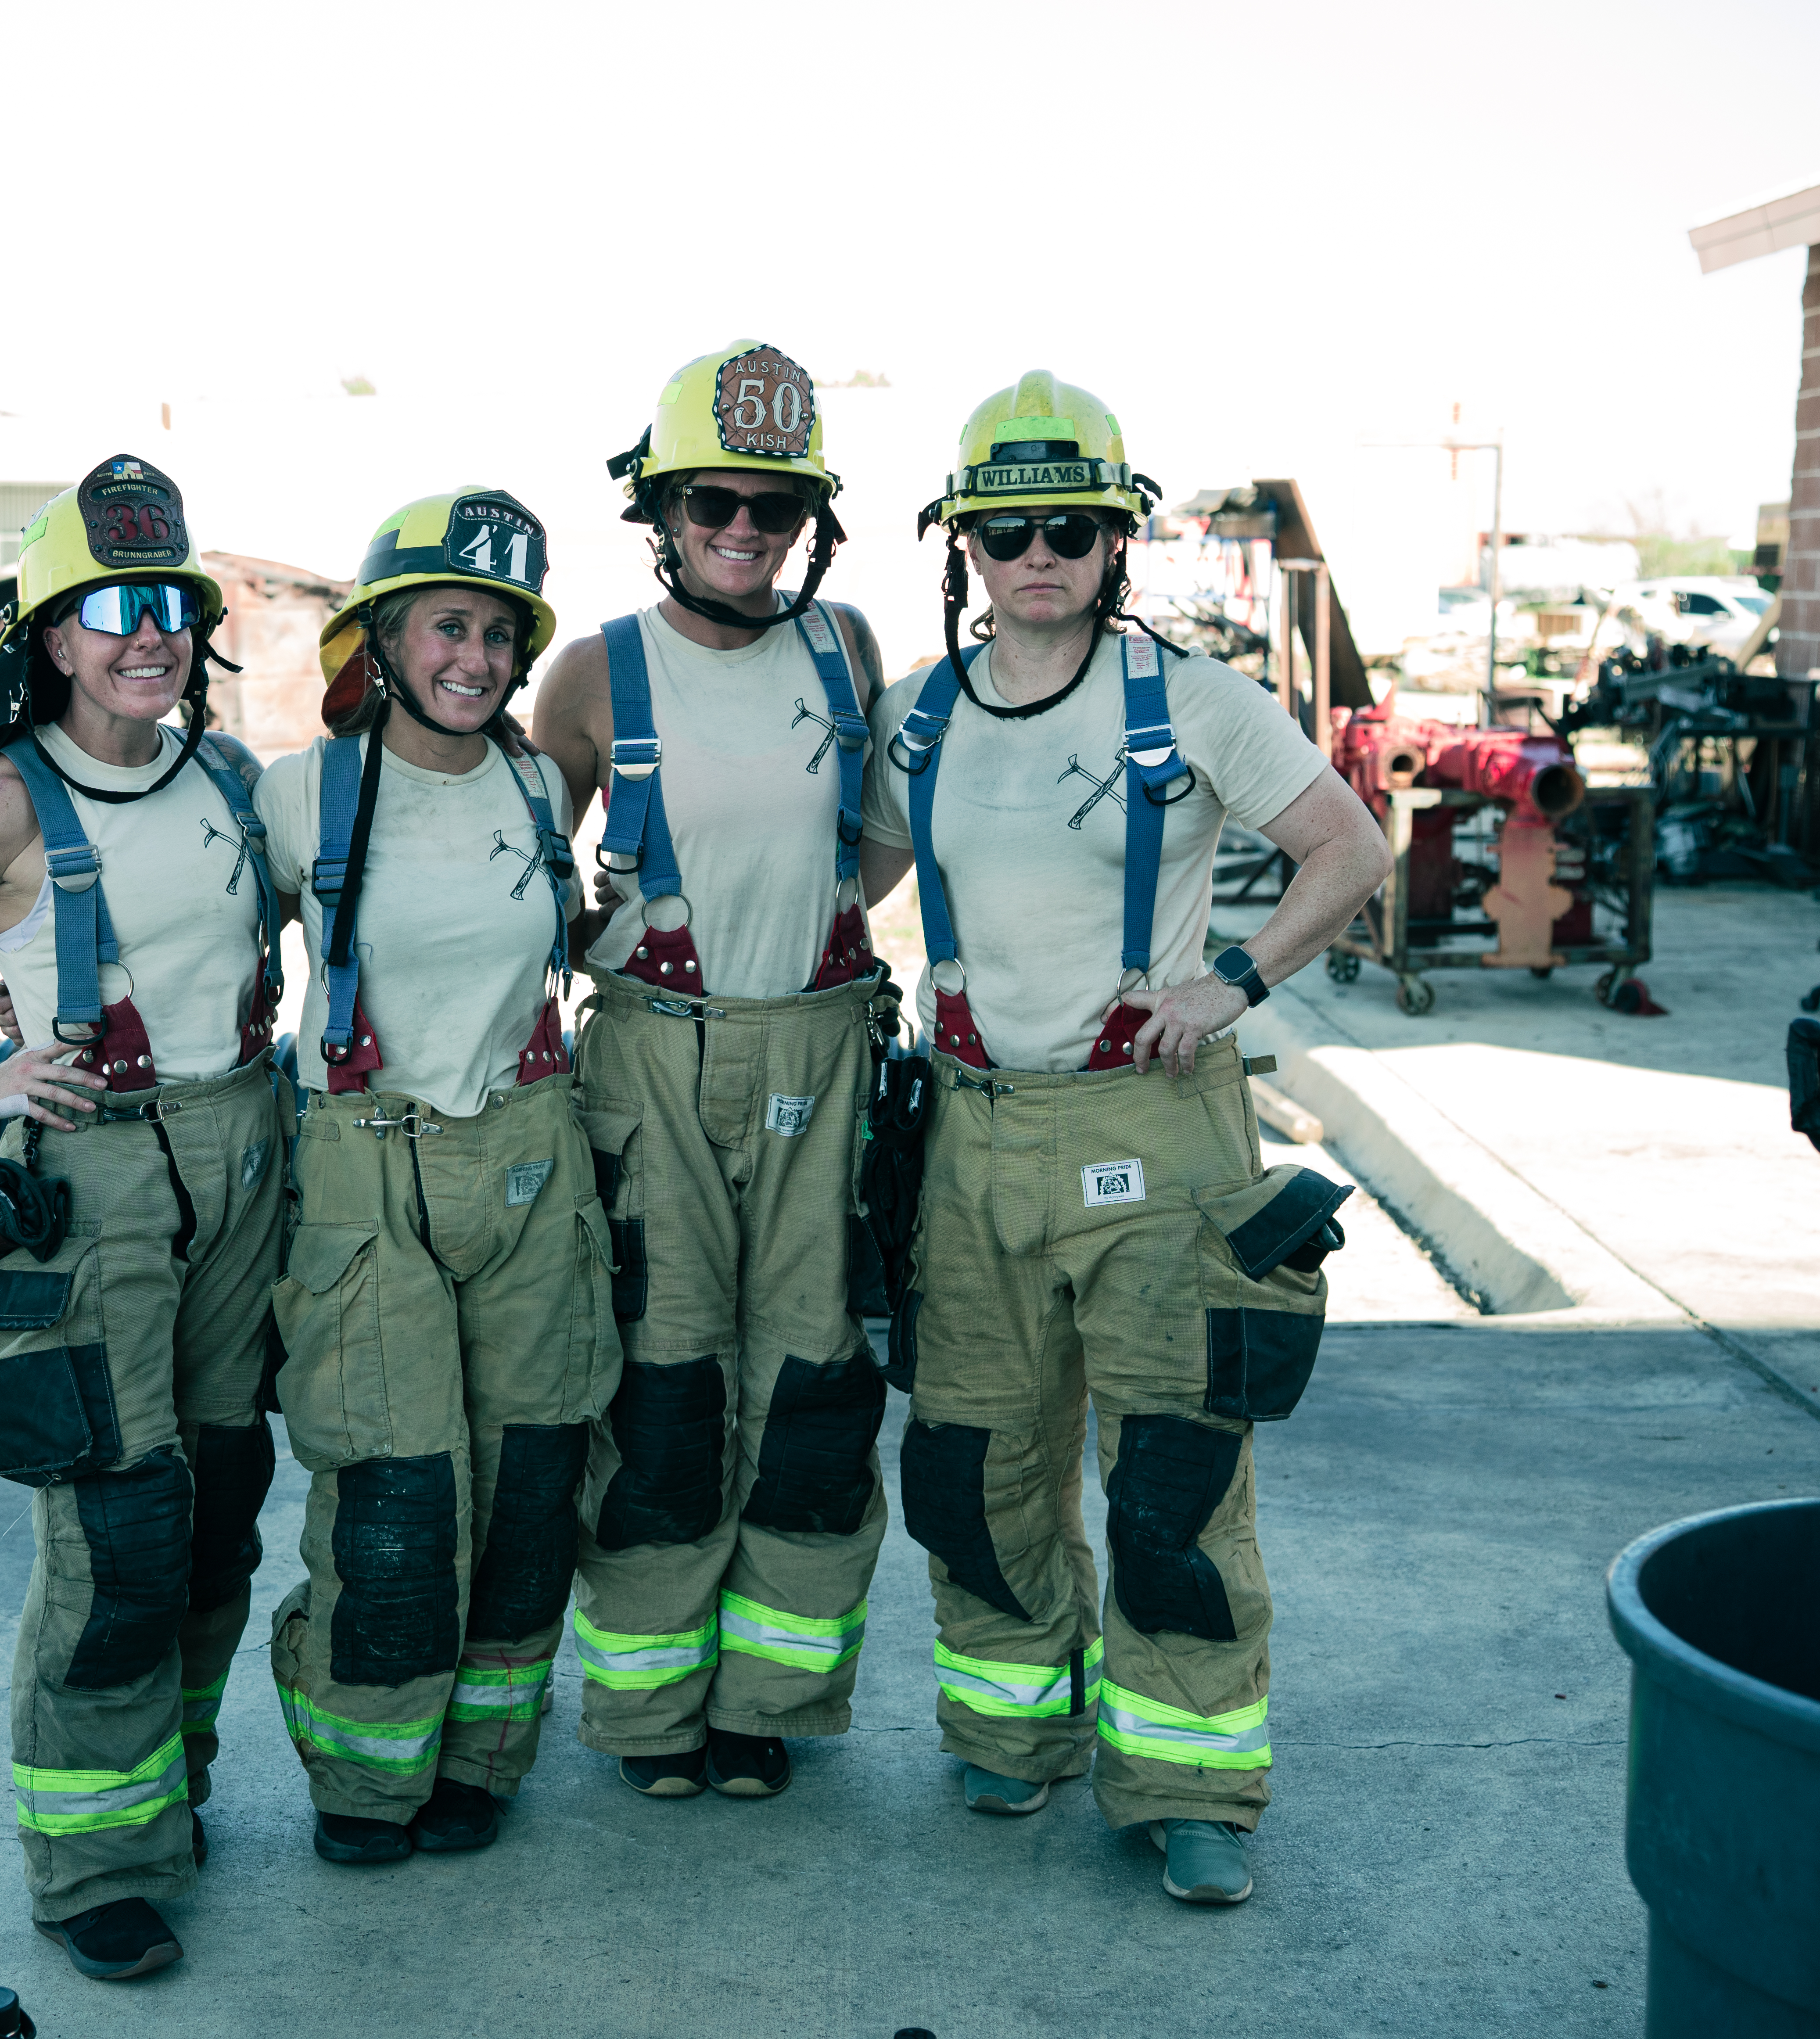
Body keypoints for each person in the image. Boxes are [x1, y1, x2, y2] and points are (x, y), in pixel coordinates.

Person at [858, 372, 1388, 1906]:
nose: (1038, 554)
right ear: (961, 543)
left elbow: (1343, 848)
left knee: (1166, 1475)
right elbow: (854, 877)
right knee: (971, 1463)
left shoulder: (1194, 695)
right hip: (968, 1134)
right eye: (1005, 527)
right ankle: (1009, 1731)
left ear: (1115, 542)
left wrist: (1226, 981)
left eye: (1070, 527)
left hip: (1151, 1134)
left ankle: (1186, 1784)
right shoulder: (920, 715)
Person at [0, 456, 285, 1985]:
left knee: (217, 1498)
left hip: (237, 1152)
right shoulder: (3, 801)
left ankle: (172, 1790)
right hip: (89, 1179)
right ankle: (89, 1861)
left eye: (167, 609)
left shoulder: (220, 777)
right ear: (50, 639)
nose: (147, 636)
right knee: (115, 1517)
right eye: (110, 612)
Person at [525, 342, 899, 1802]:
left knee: (808, 1379)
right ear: (657, 510)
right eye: (711, 504)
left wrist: (825, 921)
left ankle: (768, 1707)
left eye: (773, 508)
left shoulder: (845, 648)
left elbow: (880, 828)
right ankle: (647, 1713)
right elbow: (515, 870)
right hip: (651, 1061)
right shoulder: (585, 675)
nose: (743, 531)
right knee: (668, 1381)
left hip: (817, 1040)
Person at [252, 488, 621, 1866]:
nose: (470, 657)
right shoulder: (296, 796)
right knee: (397, 1503)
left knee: (531, 1487)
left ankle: (479, 1761)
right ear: (384, 640)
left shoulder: (537, 786)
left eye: (494, 632)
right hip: (368, 1171)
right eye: (444, 626)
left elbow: (565, 930)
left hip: (530, 1159)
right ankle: (363, 1780)